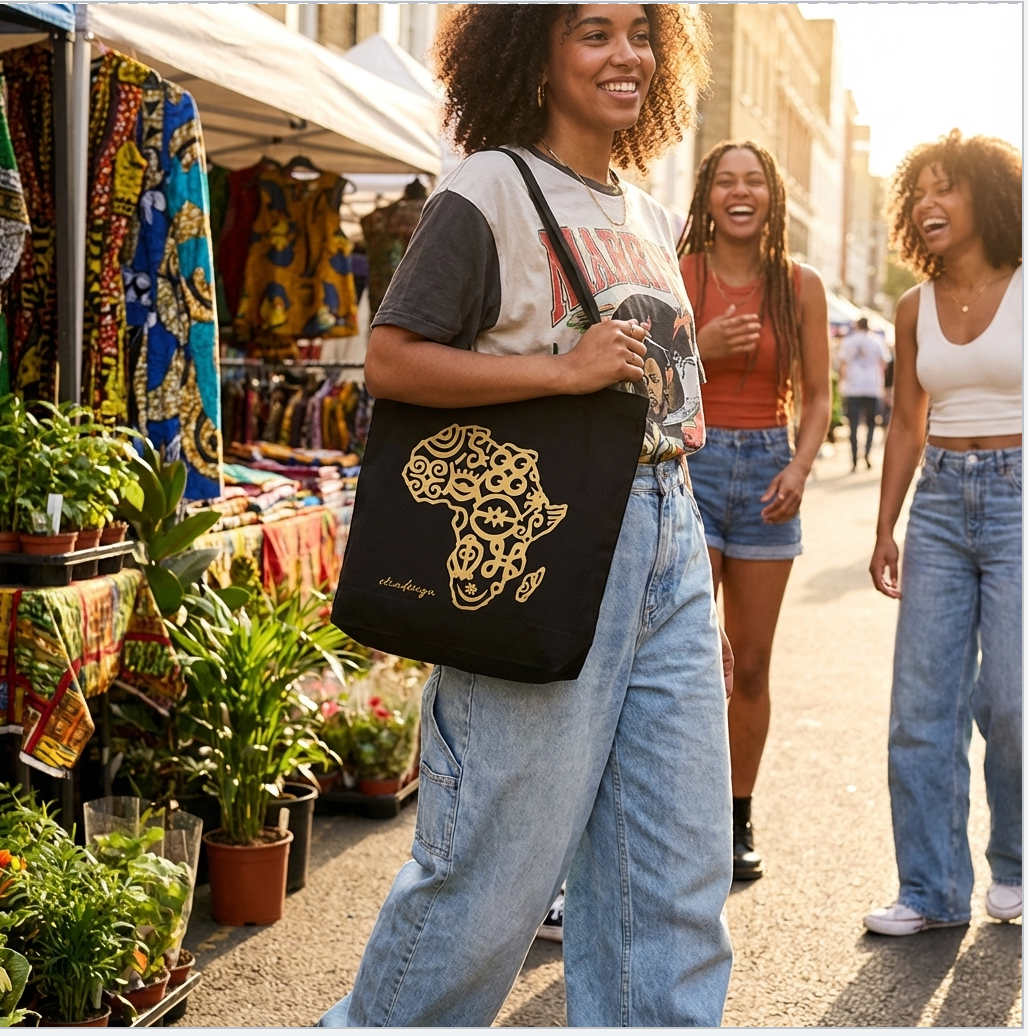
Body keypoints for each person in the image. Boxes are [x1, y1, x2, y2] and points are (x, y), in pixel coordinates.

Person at [319, 6, 735, 1026]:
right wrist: (561, 371)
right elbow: (391, 360)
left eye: (640, 33)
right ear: (534, 54)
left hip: (667, 537)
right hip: (540, 547)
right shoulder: (489, 188)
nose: (626, 55)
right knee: (491, 875)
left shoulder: (646, 213)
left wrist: (685, 561)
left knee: (674, 877)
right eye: (593, 33)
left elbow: (653, 399)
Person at [866, 130, 1022, 936]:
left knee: (1013, 699)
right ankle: (930, 890)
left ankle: (1016, 861)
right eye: (918, 192)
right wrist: (885, 527)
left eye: (945, 187)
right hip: (938, 504)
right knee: (921, 706)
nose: (928, 203)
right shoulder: (912, 307)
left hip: (1020, 499)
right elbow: (905, 422)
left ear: (985, 197)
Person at [678, 142, 831, 881]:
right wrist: (699, 347)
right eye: (725, 180)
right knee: (691, 659)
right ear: (707, 195)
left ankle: (737, 817)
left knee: (754, 664)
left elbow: (820, 397)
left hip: (771, 473)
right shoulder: (681, 274)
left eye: (755, 181)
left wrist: (800, 467)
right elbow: (652, 380)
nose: (740, 192)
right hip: (694, 465)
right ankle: (682, 816)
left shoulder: (799, 284)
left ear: (773, 196)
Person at [838, 316, 891, 471]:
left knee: (853, 425)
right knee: (871, 423)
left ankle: (854, 459)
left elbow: (842, 364)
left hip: (852, 387)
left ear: (857, 326)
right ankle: (867, 453)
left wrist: (842, 383)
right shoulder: (877, 341)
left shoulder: (849, 341)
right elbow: (884, 362)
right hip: (872, 387)